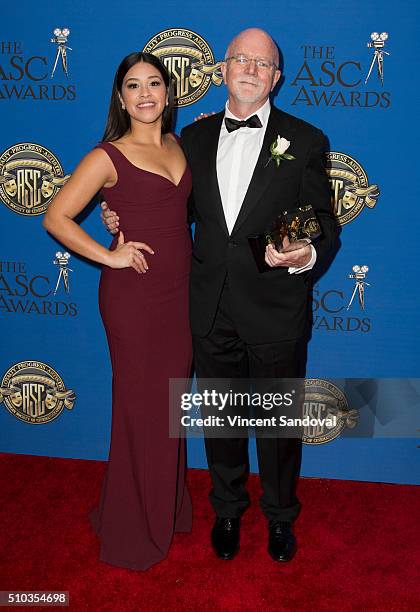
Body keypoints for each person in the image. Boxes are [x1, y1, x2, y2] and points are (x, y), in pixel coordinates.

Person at [102, 29, 338, 563]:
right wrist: (119, 215)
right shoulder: (192, 140)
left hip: (276, 307)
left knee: (277, 427)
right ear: (223, 70)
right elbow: (167, 208)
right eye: (241, 59)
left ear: (277, 77)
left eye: (264, 63)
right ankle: (227, 509)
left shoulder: (306, 140)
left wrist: (305, 253)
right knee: (222, 419)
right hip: (206, 305)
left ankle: (281, 517)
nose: (251, 69)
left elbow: (323, 221)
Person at [43, 52, 193, 571]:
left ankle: (164, 508)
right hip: (134, 298)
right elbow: (55, 216)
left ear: (168, 93)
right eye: (134, 86)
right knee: (137, 407)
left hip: (180, 296)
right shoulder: (107, 155)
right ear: (121, 97)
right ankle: (134, 528)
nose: (145, 93)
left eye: (154, 83)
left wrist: (116, 215)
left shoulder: (179, 144)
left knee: (168, 406)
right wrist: (110, 253)